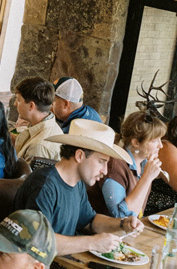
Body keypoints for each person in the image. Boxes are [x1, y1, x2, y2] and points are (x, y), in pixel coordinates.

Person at [13, 119, 137, 255]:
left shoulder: (77, 183)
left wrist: (122, 224)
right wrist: (92, 242)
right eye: (101, 162)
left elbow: (89, 221)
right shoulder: (44, 184)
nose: (105, 171)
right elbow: (39, 241)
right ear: (79, 155)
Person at [95, 108, 168, 220]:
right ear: (136, 143)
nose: (160, 146)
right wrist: (147, 178)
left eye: (160, 139)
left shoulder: (145, 164)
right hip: (103, 235)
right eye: (154, 141)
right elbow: (121, 217)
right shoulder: (115, 166)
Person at [11, 77, 61, 163]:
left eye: (18, 100)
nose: (15, 103)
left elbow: (27, 176)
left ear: (31, 106)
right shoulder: (42, 125)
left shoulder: (38, 147)